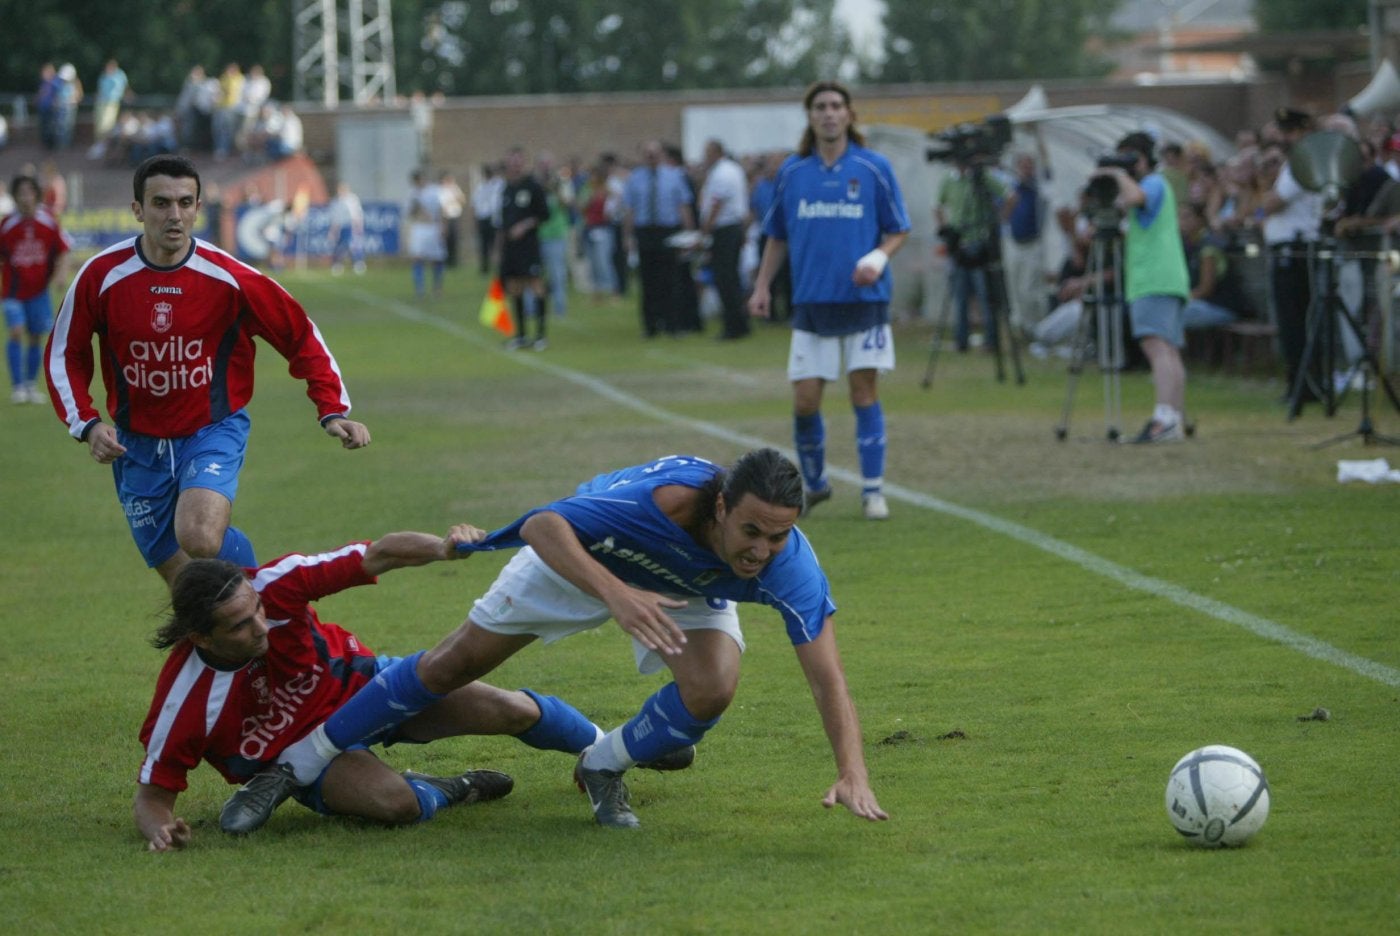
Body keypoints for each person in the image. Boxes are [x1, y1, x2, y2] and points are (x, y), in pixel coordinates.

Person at [223, 449, 887, 833]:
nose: (764, 550)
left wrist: (852, 770)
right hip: (580, 559)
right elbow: (544, 525)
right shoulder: (659, 503)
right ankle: (299, 764)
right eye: (752, 532)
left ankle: (602, 765)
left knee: (712, 688)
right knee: (455, 664)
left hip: (678, 591)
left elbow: (827, 675)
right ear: (720, 509)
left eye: (778, 536)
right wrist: (617, 595)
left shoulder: (789, 565)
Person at [44, 154, 371, 587]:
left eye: (185, 202)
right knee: (189, 587)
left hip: (212, 428)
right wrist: (86, 423)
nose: (174, 215)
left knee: (199, 535)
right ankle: (246, 632)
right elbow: (64, 352)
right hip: (134, 442)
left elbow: (299, 335)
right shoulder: (101, 275)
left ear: (199, 208)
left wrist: (332, 408)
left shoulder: (230, 277)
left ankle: (270, 594)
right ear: (138, 210)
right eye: (161, 203)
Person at [134, 524, 551, 849]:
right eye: (241, 626)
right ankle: (450, 788)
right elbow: (153, 796)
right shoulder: (182, 703)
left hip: (368, 689)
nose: (262, 628)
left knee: (515, 711)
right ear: (202, 638)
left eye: (258, 610)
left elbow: (379, 554)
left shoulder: (276, 584)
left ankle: (601, 755)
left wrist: (443, 547)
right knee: (399, 805)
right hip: (312, 761)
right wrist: (163, 831)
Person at [748, 81, 911, 521]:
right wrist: (762, 286)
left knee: (864, 392)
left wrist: (877, 257)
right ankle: (816, 483)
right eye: (820, 106)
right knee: (804, 400)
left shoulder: (874, 167)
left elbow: (899, 228)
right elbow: (776, 236)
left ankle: (873, 492)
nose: (829, 113)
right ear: (810, 116)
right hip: (811, 303)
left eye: (837, 105)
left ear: (850, 114)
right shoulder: (793, 173)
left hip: (864, 301)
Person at [1089, 132, 1191, 443]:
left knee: (1155, 346)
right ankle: (1174, 418)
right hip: (1165, 276)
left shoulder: (1153, 183)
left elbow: (1133, 199)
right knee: (1168, 349)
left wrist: (1117, 174)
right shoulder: (1153, 185)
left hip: (1154, 277)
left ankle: (1164, 419)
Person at [1259, 108, 1324, 406]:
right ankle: (1301, 381)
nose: (1283, 138)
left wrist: (1263, 182)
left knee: (1295, 322)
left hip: (1295, 251)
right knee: (1292, 323)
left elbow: (1273, 203)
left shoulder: (1302, 162)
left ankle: (1304, 384)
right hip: (1289, 250)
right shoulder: (1296, 162)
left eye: (1288, 132)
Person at [2, 174, 71, 403]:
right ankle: (18, 386)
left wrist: (61, 274)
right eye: (20, 193)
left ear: (36, 195)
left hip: (39, 291)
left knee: (34, 337)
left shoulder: (48, 221)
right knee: (16, 331)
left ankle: (30, 386)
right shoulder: (7, 225)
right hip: (12, 291)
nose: (25, 197)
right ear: (15, 197)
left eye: (29, 192)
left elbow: (64, 249)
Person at [936, 152, 1008, 353]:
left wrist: (998, 221)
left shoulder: (981, 177)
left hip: (979, 241)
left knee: (985, 294)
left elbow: (1010, 195)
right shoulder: (948, 180)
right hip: (959, 244)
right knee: (960, 295)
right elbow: (937, 206)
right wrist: (946, 231)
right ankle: (962, 340)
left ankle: (991, 340)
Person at [623, 140, 695, 338]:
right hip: (646, 231)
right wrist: (628, 236)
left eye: (654, 153)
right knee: (648, 281)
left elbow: (683, 206)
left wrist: (688, 234)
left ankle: (673, 324)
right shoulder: (635, 178)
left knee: (670, 279)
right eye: (647, 153)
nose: (651, 157)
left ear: (661, 154)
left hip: (668, 231)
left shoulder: (674, 176)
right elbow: (630, 209)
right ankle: (650, 325)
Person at [497, 146, 551, 350]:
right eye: (511, 162)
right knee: (514, 288)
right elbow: (502, 222)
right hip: (511, 248)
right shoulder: (506, 189)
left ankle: (540, 335)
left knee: (536, 286)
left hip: (529, 246)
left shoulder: (533, 186)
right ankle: (520, 334)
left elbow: (545, 214)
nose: (515, 165)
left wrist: (525, 225)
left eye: (518, 161)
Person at [698, 139, 750, 341]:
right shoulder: (732, 169)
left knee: (725, 279)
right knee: (732, 278)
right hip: (733, 227)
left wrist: (705, 231)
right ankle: (740, 322)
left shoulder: (721, 173)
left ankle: (733, 325)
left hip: (725, 229)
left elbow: (717, 203)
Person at [405, 168, 446, 300]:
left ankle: (437, 288)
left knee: (437, 259)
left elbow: (441, 209)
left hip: (433, 227)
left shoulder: (434, 191)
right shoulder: (413, 193)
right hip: (419, 228)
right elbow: (409, 213)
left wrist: (442, 225)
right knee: (417, 258)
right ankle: (420, 289)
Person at [327, 180, 367, 275]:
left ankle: (358, 262)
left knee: (352, 245)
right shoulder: (336, 202)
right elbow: (334, 218)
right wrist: (333, 231)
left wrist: (359, 226)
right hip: (340, 227)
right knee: (340, 246)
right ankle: (337, 264)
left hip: (350, 225)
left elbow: (357, 214)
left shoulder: (352, 199)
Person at [470, 163, 503, 276]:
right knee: (484, 245)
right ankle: (485, 267)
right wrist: (475, 221)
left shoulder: (499, 184)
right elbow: (474, 204)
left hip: (494, 218)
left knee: (496, 243)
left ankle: (497, 266)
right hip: (483, 218)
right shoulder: (480, 187)